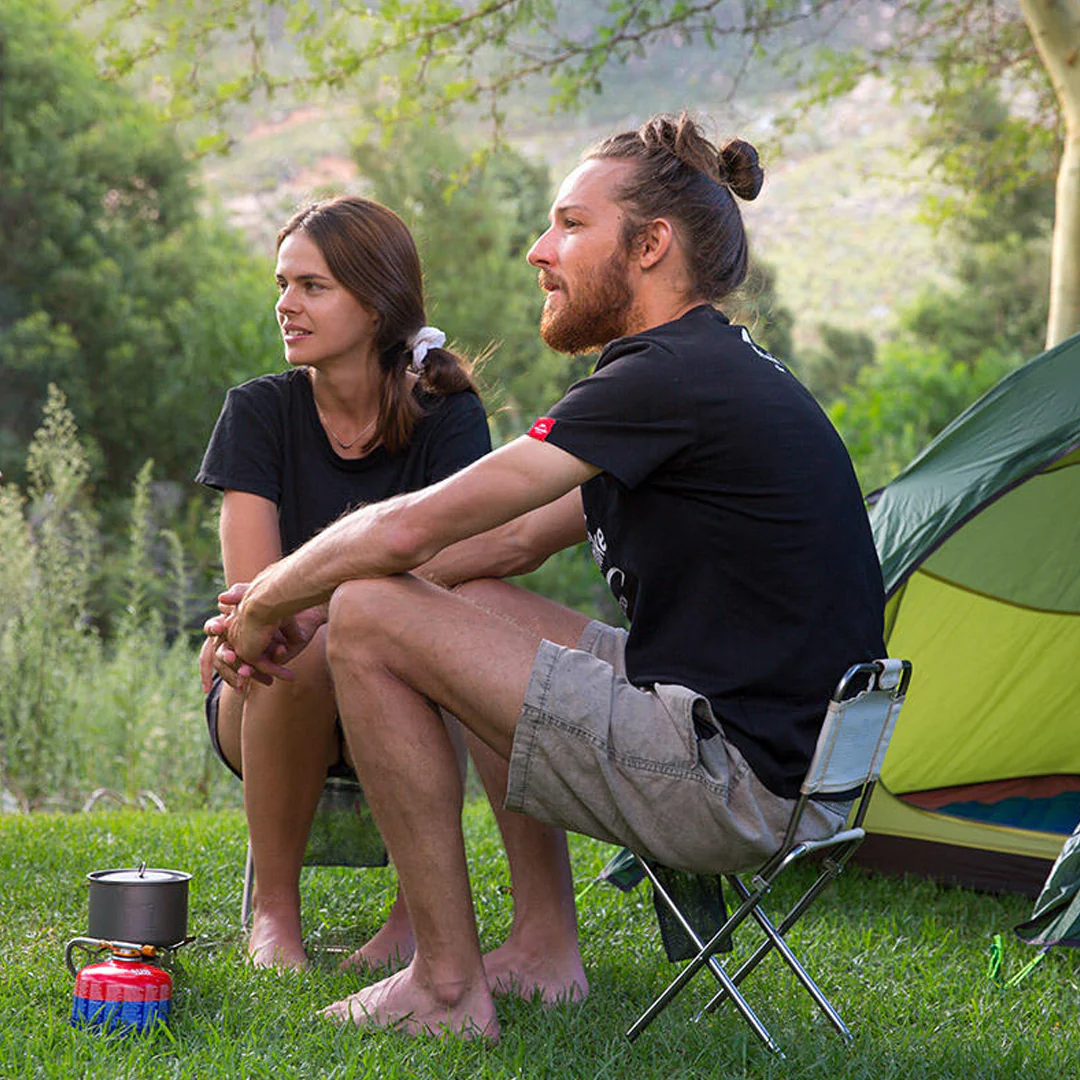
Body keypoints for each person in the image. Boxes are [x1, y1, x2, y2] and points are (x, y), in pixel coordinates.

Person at [205, 113, 886, 1041]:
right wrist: (300, 608)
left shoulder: (667, 377)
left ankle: (445, 987)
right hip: (778, 756)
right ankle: (540, 947)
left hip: (730, 776)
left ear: (650, 247)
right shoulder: (701, 372)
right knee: (465, 605)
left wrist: (276, 602)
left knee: (373, 610)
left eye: (569, 225)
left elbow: (415, 523)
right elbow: (510, 541)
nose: (539, 250)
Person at [195, 195, 493, 970]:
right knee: (293, 649)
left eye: (312, 286)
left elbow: (456, 576)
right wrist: (279, 622)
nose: (285, 305)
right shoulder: (258, 411)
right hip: (268, 688)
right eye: (282, 284)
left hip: (404, 687)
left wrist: (318, 608)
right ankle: (274, 919)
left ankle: (413, 920)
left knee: (455, 645)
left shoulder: (449, 417)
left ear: (376, 300)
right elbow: (256, 603)